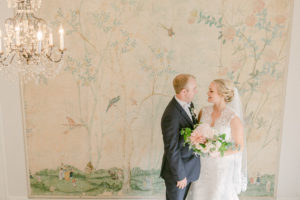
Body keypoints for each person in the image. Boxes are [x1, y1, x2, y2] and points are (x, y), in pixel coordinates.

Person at [189, 79, 247, 200]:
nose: (207, 93)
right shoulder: (203, 111)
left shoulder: (233, 118)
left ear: (222, 94)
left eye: (211, 91)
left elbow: (239, 146)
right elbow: (197, 134)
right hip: (202, 166)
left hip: (221, 168)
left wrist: (219, 152)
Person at [160, 74, 205, 200]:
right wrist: (180, 175)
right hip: (178, 173)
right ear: (184, 91)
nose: (196, 91)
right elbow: (171, 148)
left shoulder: (189, 104)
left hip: (189, 167)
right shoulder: (171, 115)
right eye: (194, 88)